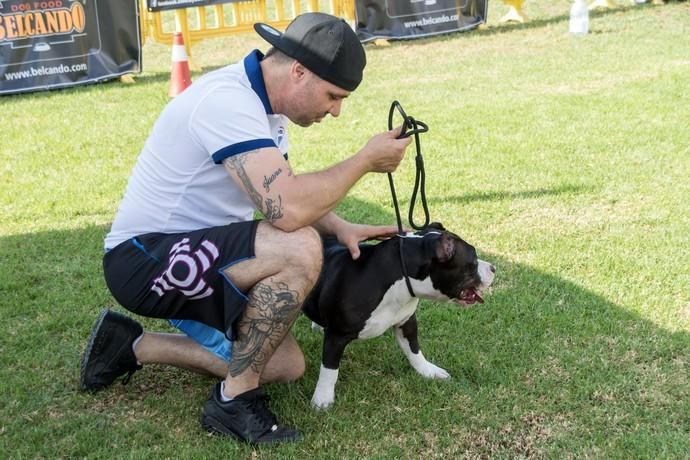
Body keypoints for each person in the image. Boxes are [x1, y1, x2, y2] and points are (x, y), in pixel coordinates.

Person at [79, 12, 411, 444]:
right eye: (333, 96)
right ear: (298, 71)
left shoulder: (264, 107)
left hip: (194, 256)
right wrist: (364, 161)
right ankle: (233, 403)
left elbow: (276, 192)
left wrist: (340, 226)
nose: (336, 111)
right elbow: (287, 209)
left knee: (284, 365)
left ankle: (132, 346)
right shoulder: (227, 102)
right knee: (300, 248)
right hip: (143, 259)